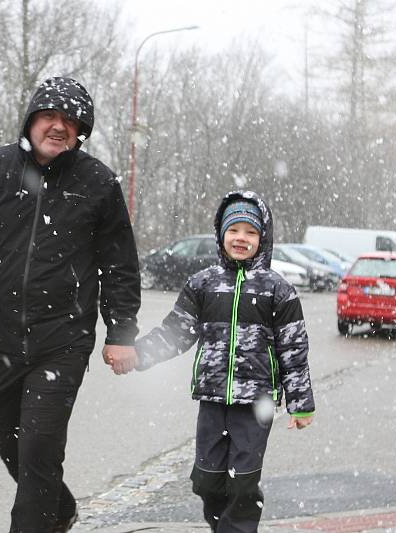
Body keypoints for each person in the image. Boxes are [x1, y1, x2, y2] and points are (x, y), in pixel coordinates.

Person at [0, 76, 141, 533]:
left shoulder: (97, 183)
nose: (58, 126)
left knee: (38, 449)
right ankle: (58, 510)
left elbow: (119, 263)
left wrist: (122, 333)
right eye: (50, 116)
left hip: (62, 342)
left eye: (70, 121)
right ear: (31, 119)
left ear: (82, 130)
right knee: (12, 448)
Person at [121, 190, 315, 532]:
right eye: (234, 230)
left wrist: (301, 404)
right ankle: (220, 526)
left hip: (256, 403)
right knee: (208, 481)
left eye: (251, 232)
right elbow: (175, 332)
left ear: (263, 239)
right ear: (221, 234)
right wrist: (138, 353)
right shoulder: (203, 284)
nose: (241, 238)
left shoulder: (277, 290)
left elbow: (293, 350)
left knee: (242, 483)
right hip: (212, 400)